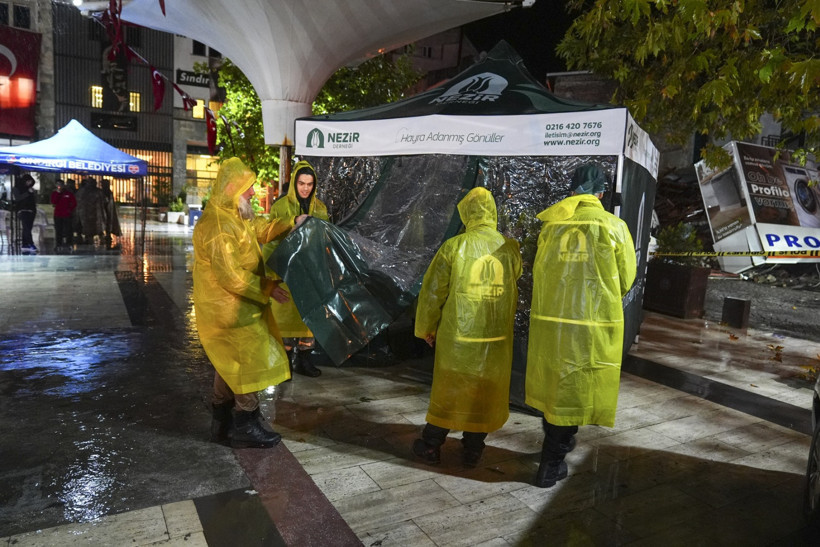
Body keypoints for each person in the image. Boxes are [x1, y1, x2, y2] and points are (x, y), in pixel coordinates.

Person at [526, 164, 637, 488]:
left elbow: (540, 271)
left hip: (553, 321)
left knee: (555, 385)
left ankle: (557, 442)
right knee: (575, 389)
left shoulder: (552, 225)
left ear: (573, 191)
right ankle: (551, 462)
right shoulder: (614, 226)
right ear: (601, 193)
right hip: (590, 323)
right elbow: (625, 278)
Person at [193, 157, 307, 449]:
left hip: (237, 305)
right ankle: (246, 422)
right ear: (232, 189)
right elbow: (231, 276)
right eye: (248, 188)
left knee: (229, 362)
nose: (253, 193)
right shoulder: (218, 224)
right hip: (229, 309)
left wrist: (291, 223)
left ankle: (221, 422)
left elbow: (259, 229)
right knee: (247, 361)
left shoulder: (232, 214)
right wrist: (267, 288)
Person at [412, 187, 522, 467]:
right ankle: (473, 449)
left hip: (458, 337)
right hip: (495, 337)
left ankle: (431, 445)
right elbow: (516, 277)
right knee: (484, 391)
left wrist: (426, 328)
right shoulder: (509, 248)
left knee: (450, 389)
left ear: (466, 212)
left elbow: (433, 292)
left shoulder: (454, 246)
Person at [265, 160, 329, 377]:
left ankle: (304, 359)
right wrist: (271, 275)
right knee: (284, 319)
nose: (305, 188)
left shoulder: (320, 208)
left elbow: (324, 241)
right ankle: (284, 363)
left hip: (309, 274)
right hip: (285, 272)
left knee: (307, 319)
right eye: (301, 183)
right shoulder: (280, 207)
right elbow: (270, 238)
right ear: (294, 183)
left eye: (310, 184)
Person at [12, 174, 38, 254]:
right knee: (26, 227)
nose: (29, 183)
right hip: (22, 210)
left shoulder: (30, 188)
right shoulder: (17, 188)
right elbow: (18, 198)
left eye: (30, 181)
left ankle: (25, 244)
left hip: (31, 210)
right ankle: (30, 243)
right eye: (28, 181)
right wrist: (28, 193)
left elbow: (33, 200)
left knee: (27, 228)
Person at [75, 177, 104, 244]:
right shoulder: (96, 192)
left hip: (92, 214)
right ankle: (87, 238)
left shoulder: (81, 191)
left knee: (90, 227)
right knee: (87, 227)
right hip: (87, 214)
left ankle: (87, 238)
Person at [51, 178, 77, 251]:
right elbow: (53, 202)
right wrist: (58, 193)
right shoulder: (54, 193)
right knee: (58, 230)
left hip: (67, 214)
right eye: (58, 184)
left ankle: (69, 243)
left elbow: (74, 203)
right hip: (58, 214)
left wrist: (69, 209)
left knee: (68, 230)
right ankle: (59, 244)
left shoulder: (68, 193)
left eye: (60, 184)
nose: (59, 186)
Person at [100, 179, 121, 246]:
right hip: (107, 210)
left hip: (107, 210)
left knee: (107, 222)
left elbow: (107, 201)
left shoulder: (106, 192)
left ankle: (107, 234)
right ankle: (107, 234)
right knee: (107, 222)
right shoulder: (107, 192)